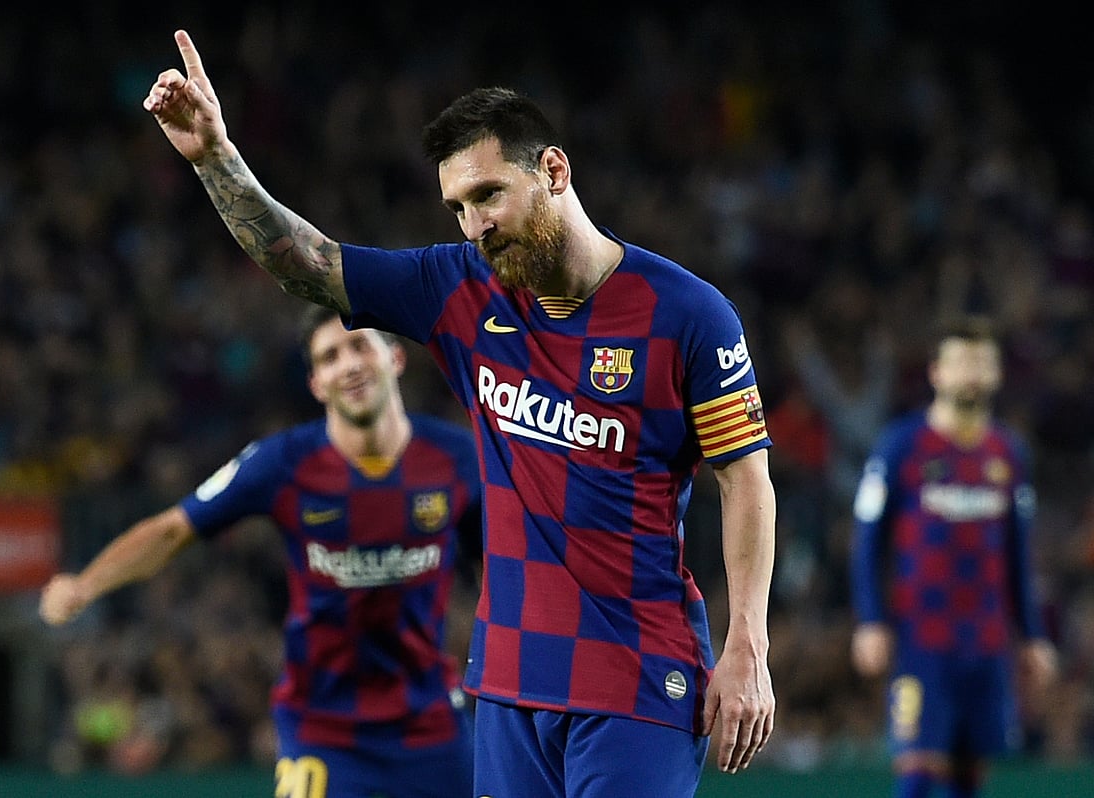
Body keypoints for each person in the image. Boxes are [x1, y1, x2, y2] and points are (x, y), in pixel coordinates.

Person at [142, 29, 777, 797]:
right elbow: (306, 263)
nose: (473, 225)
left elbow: (745, 480)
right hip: (508, 685)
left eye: (487, 196)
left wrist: (749, 641)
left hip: (638, 680)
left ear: (553, 170)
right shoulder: (461, 292)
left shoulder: (688, 315)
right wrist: (214, 156)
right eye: (457, 208)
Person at [40, 306, 483, 798]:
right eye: (330, 356)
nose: (350, 364)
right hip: (322, 728)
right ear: (316, 383)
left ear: (395, 358)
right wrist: (86, 585)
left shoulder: (457, 457)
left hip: (432, 726)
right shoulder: (283, 462)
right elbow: (172, 530)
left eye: (360, 345)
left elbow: (504, 561)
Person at [850, 314, 1058, 798]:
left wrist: (1031, 634)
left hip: (986, 641)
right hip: (921, 639)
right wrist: (870, 619)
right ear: (936, 372)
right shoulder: (901, 445)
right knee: (920, 774)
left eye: (982, 362)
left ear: (998, 374)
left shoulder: (1008, 453)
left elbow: (1018, 552)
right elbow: (867, 539)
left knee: (969, 777)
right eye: (961, 361)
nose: (972, 372)